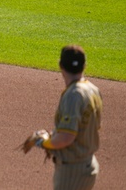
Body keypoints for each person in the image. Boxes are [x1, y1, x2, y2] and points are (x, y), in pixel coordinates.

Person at [29, 45, 103, 190]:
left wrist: (44, 142)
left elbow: (65, 138)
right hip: (88, 163)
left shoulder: (73, 95)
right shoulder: (93, 90)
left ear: (60, 65)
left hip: (72, 170)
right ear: (85, 65)